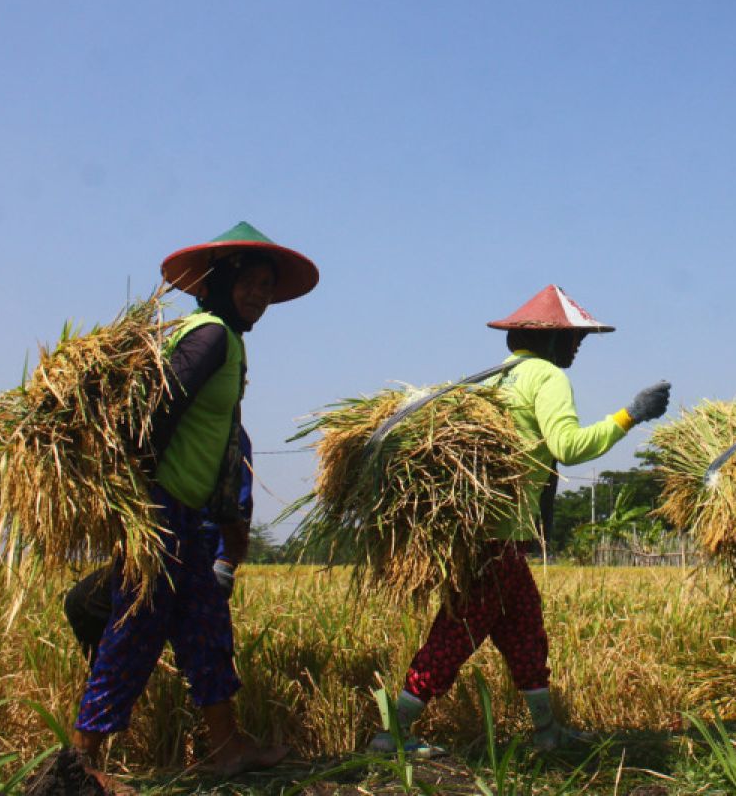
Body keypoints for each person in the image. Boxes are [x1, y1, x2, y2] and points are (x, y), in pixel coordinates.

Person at [370, 284, 671, 756]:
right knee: (455, 635)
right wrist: (631, 414)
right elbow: (568, 447)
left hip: (494, 538)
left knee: (526, 632)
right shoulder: (546, 377)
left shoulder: (494, 380)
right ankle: (392, 735)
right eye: (572, 339)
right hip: (497, 542)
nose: (577, 346)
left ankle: (547, 732)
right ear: (548, 340)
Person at [69, 222, 318, 791]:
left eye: (265, 285)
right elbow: (159, 411)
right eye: (248, 282)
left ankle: (228, 746)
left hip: (187, 514)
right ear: (222, 281)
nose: (258, 295)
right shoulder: (210, 337)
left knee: (206, 625)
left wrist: (225, 515)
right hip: (165, 510)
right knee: (135, 629)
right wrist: (144, 499)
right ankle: (80, 762)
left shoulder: (225, 339)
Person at [64, 429, 254, 665]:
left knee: (201, 651)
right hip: (155, 552)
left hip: (196, 553)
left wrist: (224, 563)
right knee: (85, 605)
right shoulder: (156, 423)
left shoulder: (225, 430)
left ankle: (123, 681)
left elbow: (238, 503)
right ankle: (123, 676)